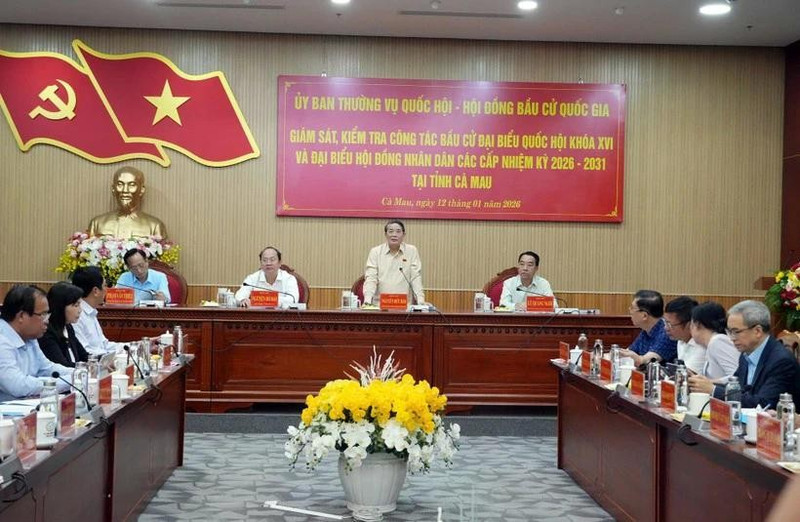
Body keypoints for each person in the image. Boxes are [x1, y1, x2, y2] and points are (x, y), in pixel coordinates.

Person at [688, 300, 800, 408]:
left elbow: (763, 403)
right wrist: (703, 384)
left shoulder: (781, 361)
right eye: (729, 332)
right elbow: (737, 389)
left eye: (736, 332)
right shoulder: (746, 354)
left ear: (757, 331)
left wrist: (713, 390)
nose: (731, 338)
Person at [0, 285, 73, 401]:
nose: (47, 321)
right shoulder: (2, 340)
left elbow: (47, 368)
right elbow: (18, 386)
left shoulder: (29, 337)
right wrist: (72, 381)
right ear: (21, 316)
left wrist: (79, 373)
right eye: (43, 315)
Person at [87, 166, 167, 238]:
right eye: (120, 184)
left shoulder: (155, 226)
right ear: (113, 189)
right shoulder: (97, 223)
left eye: (132, 185)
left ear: (142, 190)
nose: (125, 190)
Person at [362, 220, 425, 306]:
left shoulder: (411, 251)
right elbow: (371, 278)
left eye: (398, 231)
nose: (394, 235)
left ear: (403, 235)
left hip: (404, 306)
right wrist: (367, 300)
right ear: (385, 234)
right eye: (391, 231)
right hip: (380, 306)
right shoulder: (376, 252)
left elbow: (415, 278)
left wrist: (420, 301)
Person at [71, 266, 127, 355]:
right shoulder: (76, 315)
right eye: (105, 286)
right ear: (96, 291)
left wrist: (135, 346)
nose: (107, 290)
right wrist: (108, 355)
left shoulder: (91, 312)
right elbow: (85, 352)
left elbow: (104, 345)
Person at [619, 290, 677, 366]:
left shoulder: (667, 332)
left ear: (644, 316)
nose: (630, 311)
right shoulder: (646, 330)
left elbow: (646, 360)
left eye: (632, 308)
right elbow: (629, 352)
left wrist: (634, 358)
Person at [38, 282, 90, 368]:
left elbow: (84, 356)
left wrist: (102, 361)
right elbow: (62, 365)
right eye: (76, 305)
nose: (80, 310)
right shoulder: (46, 332)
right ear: (61, 307)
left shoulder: (68, 327)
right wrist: (88, 367)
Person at [234, 246, 299, 308]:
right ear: (261, 263)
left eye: (272, 260)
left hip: (282, 315)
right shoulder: (252, 278)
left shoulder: (289, 279)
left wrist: (262, 300)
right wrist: (242, 300)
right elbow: (239, 296)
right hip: (258, 315)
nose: (268, 263)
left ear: (279, 263)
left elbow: (293, 299)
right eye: (264, 260)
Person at [688, 302, 740, 379]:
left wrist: (709, 382)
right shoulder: (710, 343)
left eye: (691, 325)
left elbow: (737, 376)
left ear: (698, 324)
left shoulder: (718, 341)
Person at [663, 296, 704, 373]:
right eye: (665, 322)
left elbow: (687, 375)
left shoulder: (701, 346)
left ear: (689, 325)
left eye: (670, 324)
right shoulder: (681, 340)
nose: (666, 328)